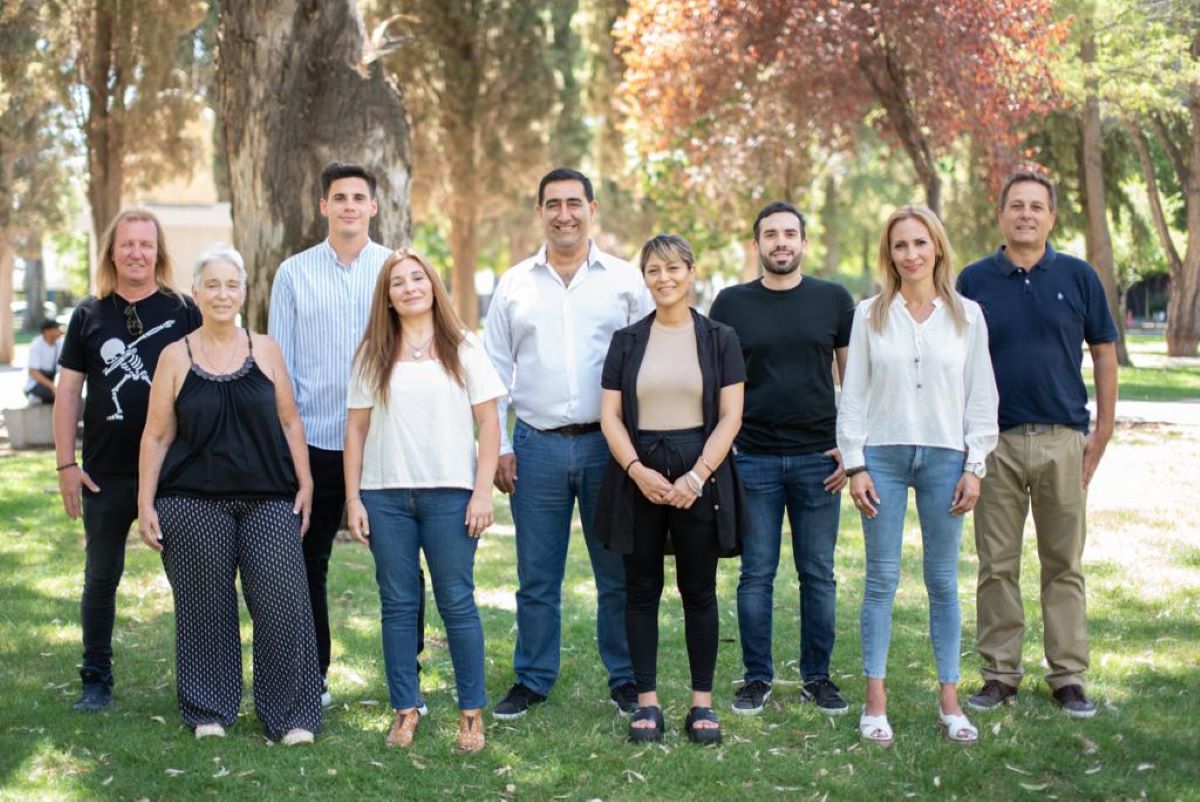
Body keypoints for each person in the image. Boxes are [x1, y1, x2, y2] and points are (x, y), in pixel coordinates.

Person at [137, 245, 321, 745]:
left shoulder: (266, 349)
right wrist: (145, 503)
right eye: (212, 285)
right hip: (192, 500)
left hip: (268, 497)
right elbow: (156, 435)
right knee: (204, 606)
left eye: (231, 285)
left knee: (283, 602)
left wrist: (304, 481)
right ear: (196, 293)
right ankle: (209, 710)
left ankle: (293, 715)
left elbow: (289, 419)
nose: (222, 294)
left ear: (245, 292)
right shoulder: (175, 356)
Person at [483, 167, 649, 719]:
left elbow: (648, 362)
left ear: (592, 209)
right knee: (536, 576)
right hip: (536, 447)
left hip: (610, 447)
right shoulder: (513, 284)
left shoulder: (625, 281)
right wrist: (501, 448)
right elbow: (494, 372)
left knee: (616, 573)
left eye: (574, 203)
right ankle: (531, 679)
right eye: (552, 204)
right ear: (540, 212)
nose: (564, 214)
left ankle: (625, 679)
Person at [958, 171, 1118, 719]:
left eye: (1037, 207)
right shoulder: (973, 281)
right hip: (993, 443)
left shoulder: (1077, 276)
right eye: (1016, 206)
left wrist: (1104, 431)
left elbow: (1103, 352)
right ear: (1000, 215)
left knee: (1063, 563)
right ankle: (1000, 675)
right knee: (996, 564)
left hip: (1061, 439)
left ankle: (1068, 677)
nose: (1026, 215)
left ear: (1051, 217)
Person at [838, 205, 998, 746]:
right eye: (900, 245)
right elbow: (852, 395)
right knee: (881, 580)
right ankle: (874, 701)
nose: (910, 254)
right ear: (889, 254)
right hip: (880, 454)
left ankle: (951, 703)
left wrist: (974, 466)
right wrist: (855, 464)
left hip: (945, 457)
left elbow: (982, 396)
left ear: (937, 248)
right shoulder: (868, 316)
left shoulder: (968, 316)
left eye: (919, 243)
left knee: (943, 583)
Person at [269, 161, 425, 709]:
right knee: (306, 563)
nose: (350, 206)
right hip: (312, 442)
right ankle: (314, 677)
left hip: (384, 440)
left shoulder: (395, 270)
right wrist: (288, 448)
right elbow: (277, 365)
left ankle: (409, 680)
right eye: (340, 197)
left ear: (375, 207)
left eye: (360, 197)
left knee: (399, 564)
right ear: (324, 206)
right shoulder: (293, 273)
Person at [344, 249, 503, 752]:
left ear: (433, 285)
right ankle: (405, 710)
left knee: (457, 602)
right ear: (387, 297)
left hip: (451, 496)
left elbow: (490, 422)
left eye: (417, 278)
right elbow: (356, 428)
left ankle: (471, 713)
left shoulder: (464, 347)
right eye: (398, 282)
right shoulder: (373, 351)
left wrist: (481, 491)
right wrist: (354, 498)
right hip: (385, 495)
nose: (409, 287)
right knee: (397, 604)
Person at [596, 234, 746, 745]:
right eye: (653, 270)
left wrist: (698, 476)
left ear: (691, 271)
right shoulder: (627, 340)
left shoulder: (720, 338)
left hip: (699, 470)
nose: (664, 279)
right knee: (640, 592)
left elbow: (731, 416)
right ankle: (647, 702)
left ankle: (702, 704)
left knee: (699, 591)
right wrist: (637, 470)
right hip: (639, 470)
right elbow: (610, 416)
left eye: (673, 269)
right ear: (645, 278)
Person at [709, 201, 855, 717]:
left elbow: (852, 382)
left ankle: (818, 677)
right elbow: (718, 386)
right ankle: (756, 677)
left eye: (790, 234)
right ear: (757, 245)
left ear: (804, 243)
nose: (780, 243)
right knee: (757, 574)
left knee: (818, 573)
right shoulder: (730, 304)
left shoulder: (833, 300)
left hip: (820, 459)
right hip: (752, 459)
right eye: (770, 235)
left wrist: (850, 448)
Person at [53, 209, 201, 712]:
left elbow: (209, 381)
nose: (137, 253)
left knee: (193, 581)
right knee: (101, 577)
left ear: (158, 252)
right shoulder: (89, 314)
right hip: (105, 472)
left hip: (175, 472)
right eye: (127, 244)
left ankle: (200, 686)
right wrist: (66, 466)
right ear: (111, 252)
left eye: (146, 244)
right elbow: (68, 392)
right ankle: (96, 679)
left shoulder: (184, 310)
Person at [26, 318, 64, 404]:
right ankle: (34, 396)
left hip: (52, 383)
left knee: (65, 394)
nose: (59, 331)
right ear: (47, 331)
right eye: (56, 329)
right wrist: (52, 387)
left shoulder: (60, 344)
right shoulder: (36, 345)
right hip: (37, 383)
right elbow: (34, 372)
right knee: (53, 395)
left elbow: (62, 369)